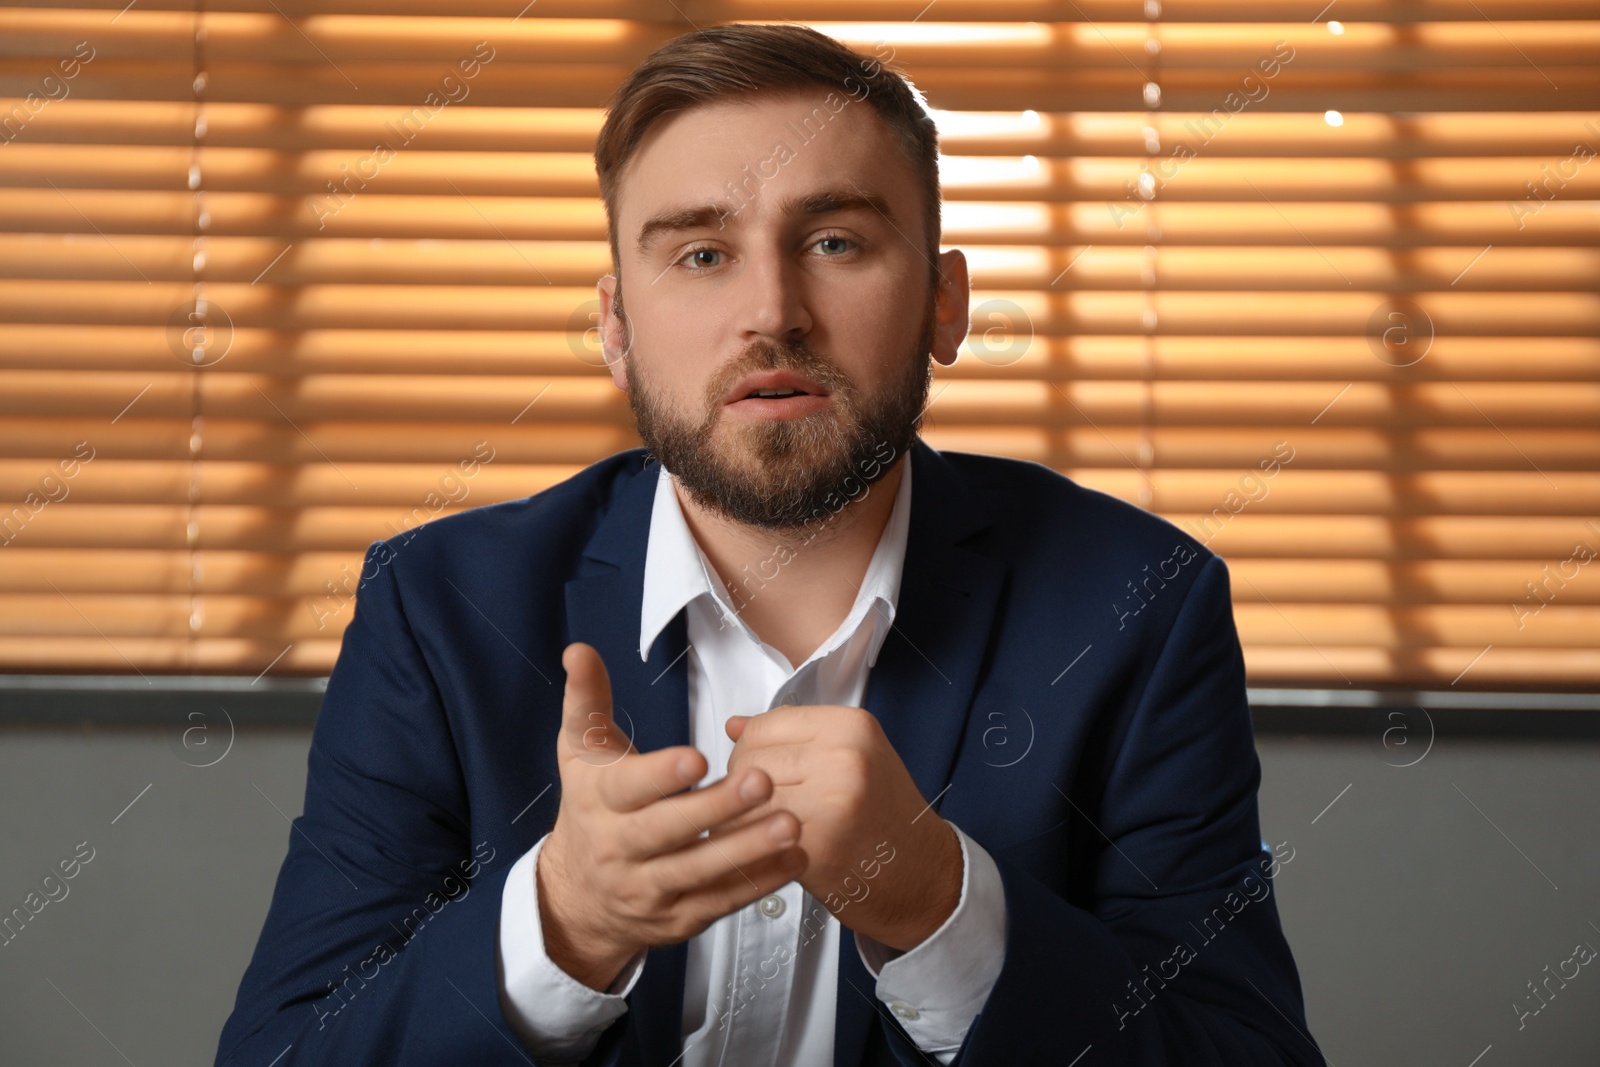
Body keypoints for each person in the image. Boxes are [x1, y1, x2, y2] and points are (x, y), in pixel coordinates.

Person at [215, 22, 1319, 1067]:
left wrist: (943, 907)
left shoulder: (1140, 602)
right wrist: (561, 925)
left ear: (944, 302)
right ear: (615, 326)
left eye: (835, 240)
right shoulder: (439, 605)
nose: (771, 313)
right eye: (699, 253)